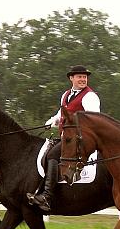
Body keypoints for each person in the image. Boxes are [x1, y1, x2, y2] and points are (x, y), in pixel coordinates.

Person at [27, 65, 100, 212]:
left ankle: (47, 196)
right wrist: (53, 120)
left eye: (84, 77)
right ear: (71, 78)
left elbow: (94, 119)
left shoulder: (89, 96)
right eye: (79, 77)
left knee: (53, 154)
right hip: (66, 137)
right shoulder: (66, 94)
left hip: (81, 139)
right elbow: (62, 113)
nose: (83, 79)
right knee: (46, 152)